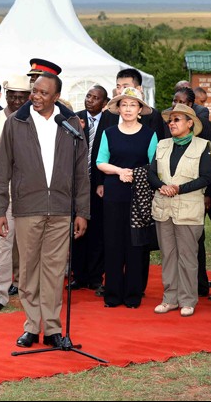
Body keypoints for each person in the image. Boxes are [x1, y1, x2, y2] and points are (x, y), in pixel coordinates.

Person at [0, 72, 89, 348]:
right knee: (29, 269)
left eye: (43, 93)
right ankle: (32, 327)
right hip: (27, 208)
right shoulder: (16, 122)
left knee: (54, 270)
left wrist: (82, 211)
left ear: (56, 96)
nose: (36, 96)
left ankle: (53, 328)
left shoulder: (69, 123)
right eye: (34, 91)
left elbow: (82, 171)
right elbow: (2, 171)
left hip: (61, 209)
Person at [149, 103, 211, 317]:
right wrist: (161, 186)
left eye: (177, 119)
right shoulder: (162, 144)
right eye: (170, 120)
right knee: (168, 255)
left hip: (188, 210)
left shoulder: (203, 146)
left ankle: (187, 300)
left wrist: (178, 188)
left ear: (190, 123)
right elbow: (151, 173)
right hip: (163, 208)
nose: (171, 123)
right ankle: (170, 298)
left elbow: (206, 177)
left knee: (187, 256)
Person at [97, 87, 157, 308]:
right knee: (113, 242)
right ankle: (112, 294)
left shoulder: (150, 135)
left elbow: (154, 165)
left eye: (133, 105)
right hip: (114, 192)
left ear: (140, 109)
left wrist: (135, 174)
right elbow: (100, 162)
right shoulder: (109, 133)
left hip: (139, 195)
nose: (128, 109)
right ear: (118, 109)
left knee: (135, 244)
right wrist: (119, 171)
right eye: (124, 105)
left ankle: (133, 295)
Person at [0, 75, 31, 312]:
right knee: (1, 243)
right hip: (2, 192)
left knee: (28, 244)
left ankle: (25, 287)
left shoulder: (37, 119)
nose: (18, 101)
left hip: (31, 193)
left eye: (23, 97)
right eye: (13, 96)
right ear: (6, 95)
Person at [166, 87, 211, 298]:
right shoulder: (168, 124)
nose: (177, 104)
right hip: (168, 196)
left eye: (182, 101)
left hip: (195, 195)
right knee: (172, 246)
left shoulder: (203, 131)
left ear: (192, 105)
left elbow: (210, 168)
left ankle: (199, 285)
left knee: (195, 241)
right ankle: (175, 287)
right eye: (174, 100)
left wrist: (208, 194)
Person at [71, 85, 114, 295]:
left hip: (99, 186)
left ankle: (95, 277)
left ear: (104, 103)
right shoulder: (74, 118)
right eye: (88, 96)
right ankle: (78, 276)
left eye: (96, 98)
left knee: (97, 232)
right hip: (76, 184)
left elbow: (112, 154)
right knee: (78, 230)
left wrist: (104, 182)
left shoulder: (111, 122)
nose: (90, 100)